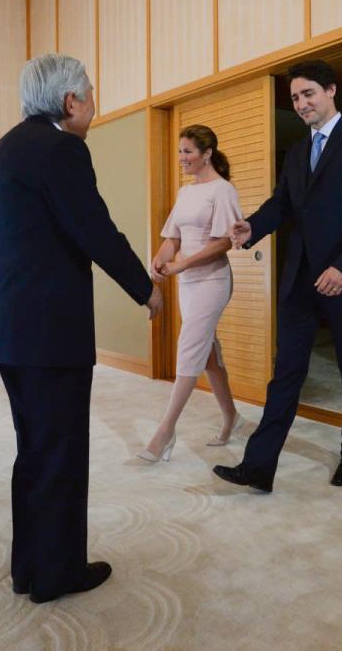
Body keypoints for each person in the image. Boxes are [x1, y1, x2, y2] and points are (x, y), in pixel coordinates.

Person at [0, 54, 163, 603]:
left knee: (33, 450)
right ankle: (58, 574)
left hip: (12, 330)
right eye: (90, 93)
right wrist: (144, 288)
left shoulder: (1, 150)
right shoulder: (63, 150)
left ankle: (28, 567)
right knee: (61, 452)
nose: (95, 104)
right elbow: (95, 229)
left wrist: (8, 303)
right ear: (70, 101)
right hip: (52, 334)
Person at [213, 60, 342, 493]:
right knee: (286, 371)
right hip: (300, 278)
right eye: (294, 98)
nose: (301, 103)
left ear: (330, 91)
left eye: (308, 93)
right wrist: (252, 226)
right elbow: (282, 205)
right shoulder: (295, 151)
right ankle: (259, 466)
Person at [137, 125, 245, 463]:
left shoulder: (223, 190)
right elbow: (174, 238)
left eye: (188, 152)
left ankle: (165, 431)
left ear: (207, 153)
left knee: (189, 346)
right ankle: (232, 417)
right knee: (207, 354)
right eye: (180, 151)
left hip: (212, 281)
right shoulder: (187, 193)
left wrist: (183, 265)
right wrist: (161, 258)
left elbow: (225, 241)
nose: (182, 158)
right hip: (188, 283)